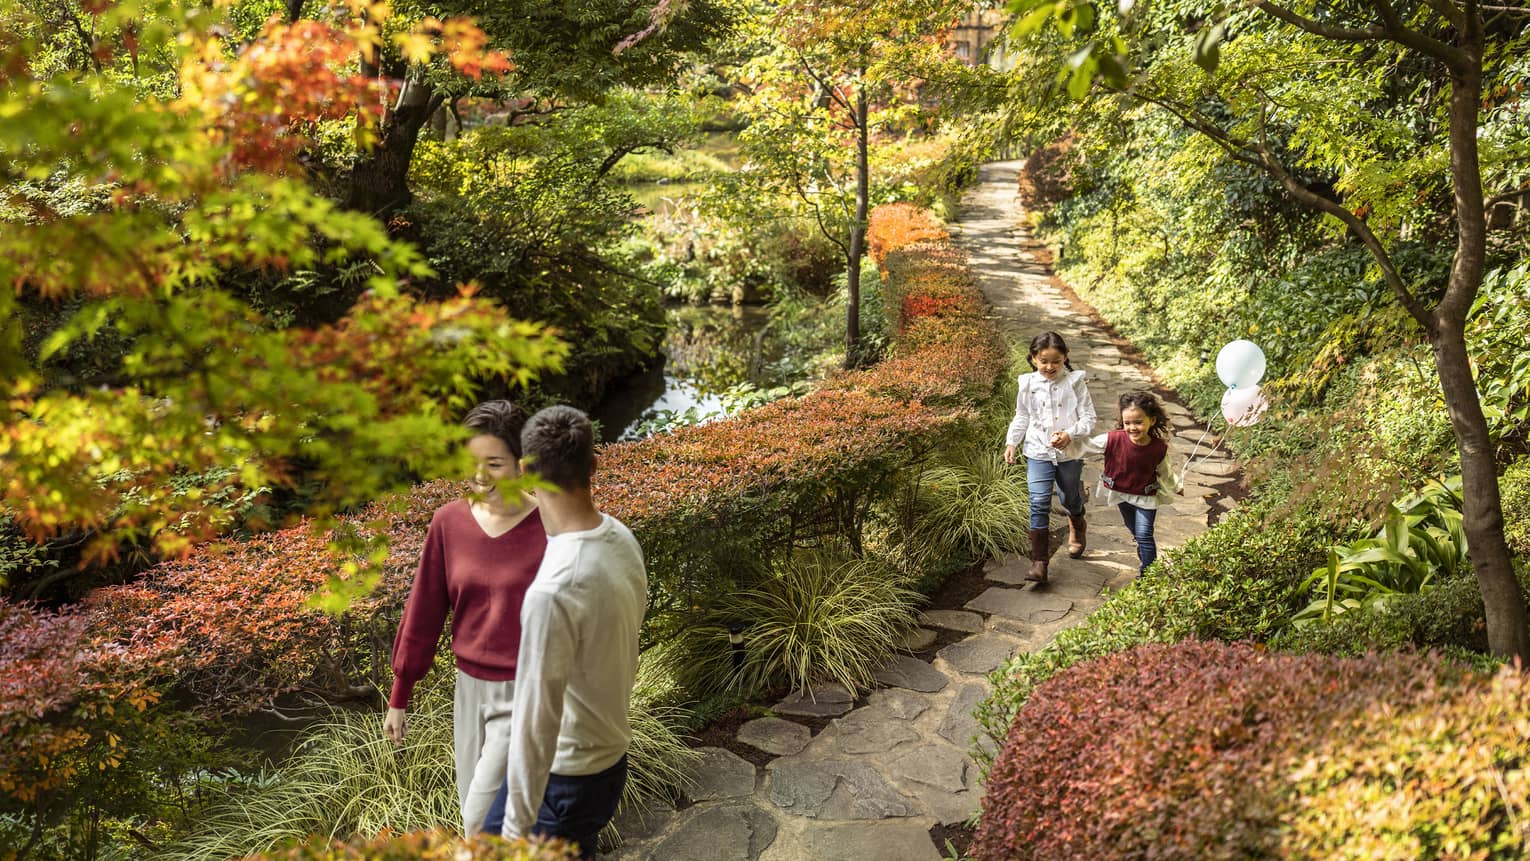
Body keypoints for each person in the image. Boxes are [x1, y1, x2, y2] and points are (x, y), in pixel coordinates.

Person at [382, 400, 545, 834]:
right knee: (479, 807)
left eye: (494, 463)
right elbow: (424, 610)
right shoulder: (448, 523)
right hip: (468, 690)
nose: (478, 476)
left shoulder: (550, 526)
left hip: (525, 691)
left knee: (477, 821)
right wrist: (400, 695)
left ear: (522, 465)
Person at [496, 405, 647, 859]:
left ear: (524, 472)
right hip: (609, 760)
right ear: (594, 463)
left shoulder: (554, 590)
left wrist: (512, 835)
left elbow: (535, 725)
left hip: (563, 780)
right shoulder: (621, 539)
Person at [1003, 331, 1097, 583]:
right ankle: (1040, 562)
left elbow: (1089, 418)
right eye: (1043, 360)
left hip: (1069, 453)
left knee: (1069, 496)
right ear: (1034, 359)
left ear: (1065, 358)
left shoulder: (1075, 382)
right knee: (1039, 500)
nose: (1049, 366)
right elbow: (1022, 415)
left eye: (1056, 361)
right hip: (1037, 451)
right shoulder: (1027, 384)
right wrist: (1013, 441)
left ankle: (1076, 523)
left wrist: (1070, 433)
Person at [1083, 391, 1181, 574]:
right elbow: (1086, 447)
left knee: (1144, 535)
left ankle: (1149, 574)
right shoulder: (1113, 439)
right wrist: (1064, 445)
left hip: (1146, 497)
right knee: (1135, 531)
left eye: (1138, 422)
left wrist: (1176, 486)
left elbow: (1164, 471)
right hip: (1121, 493)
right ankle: (1144, 550)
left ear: (1151, 421)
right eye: (1127, 423)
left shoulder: (1158, 448)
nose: (1132, 427)